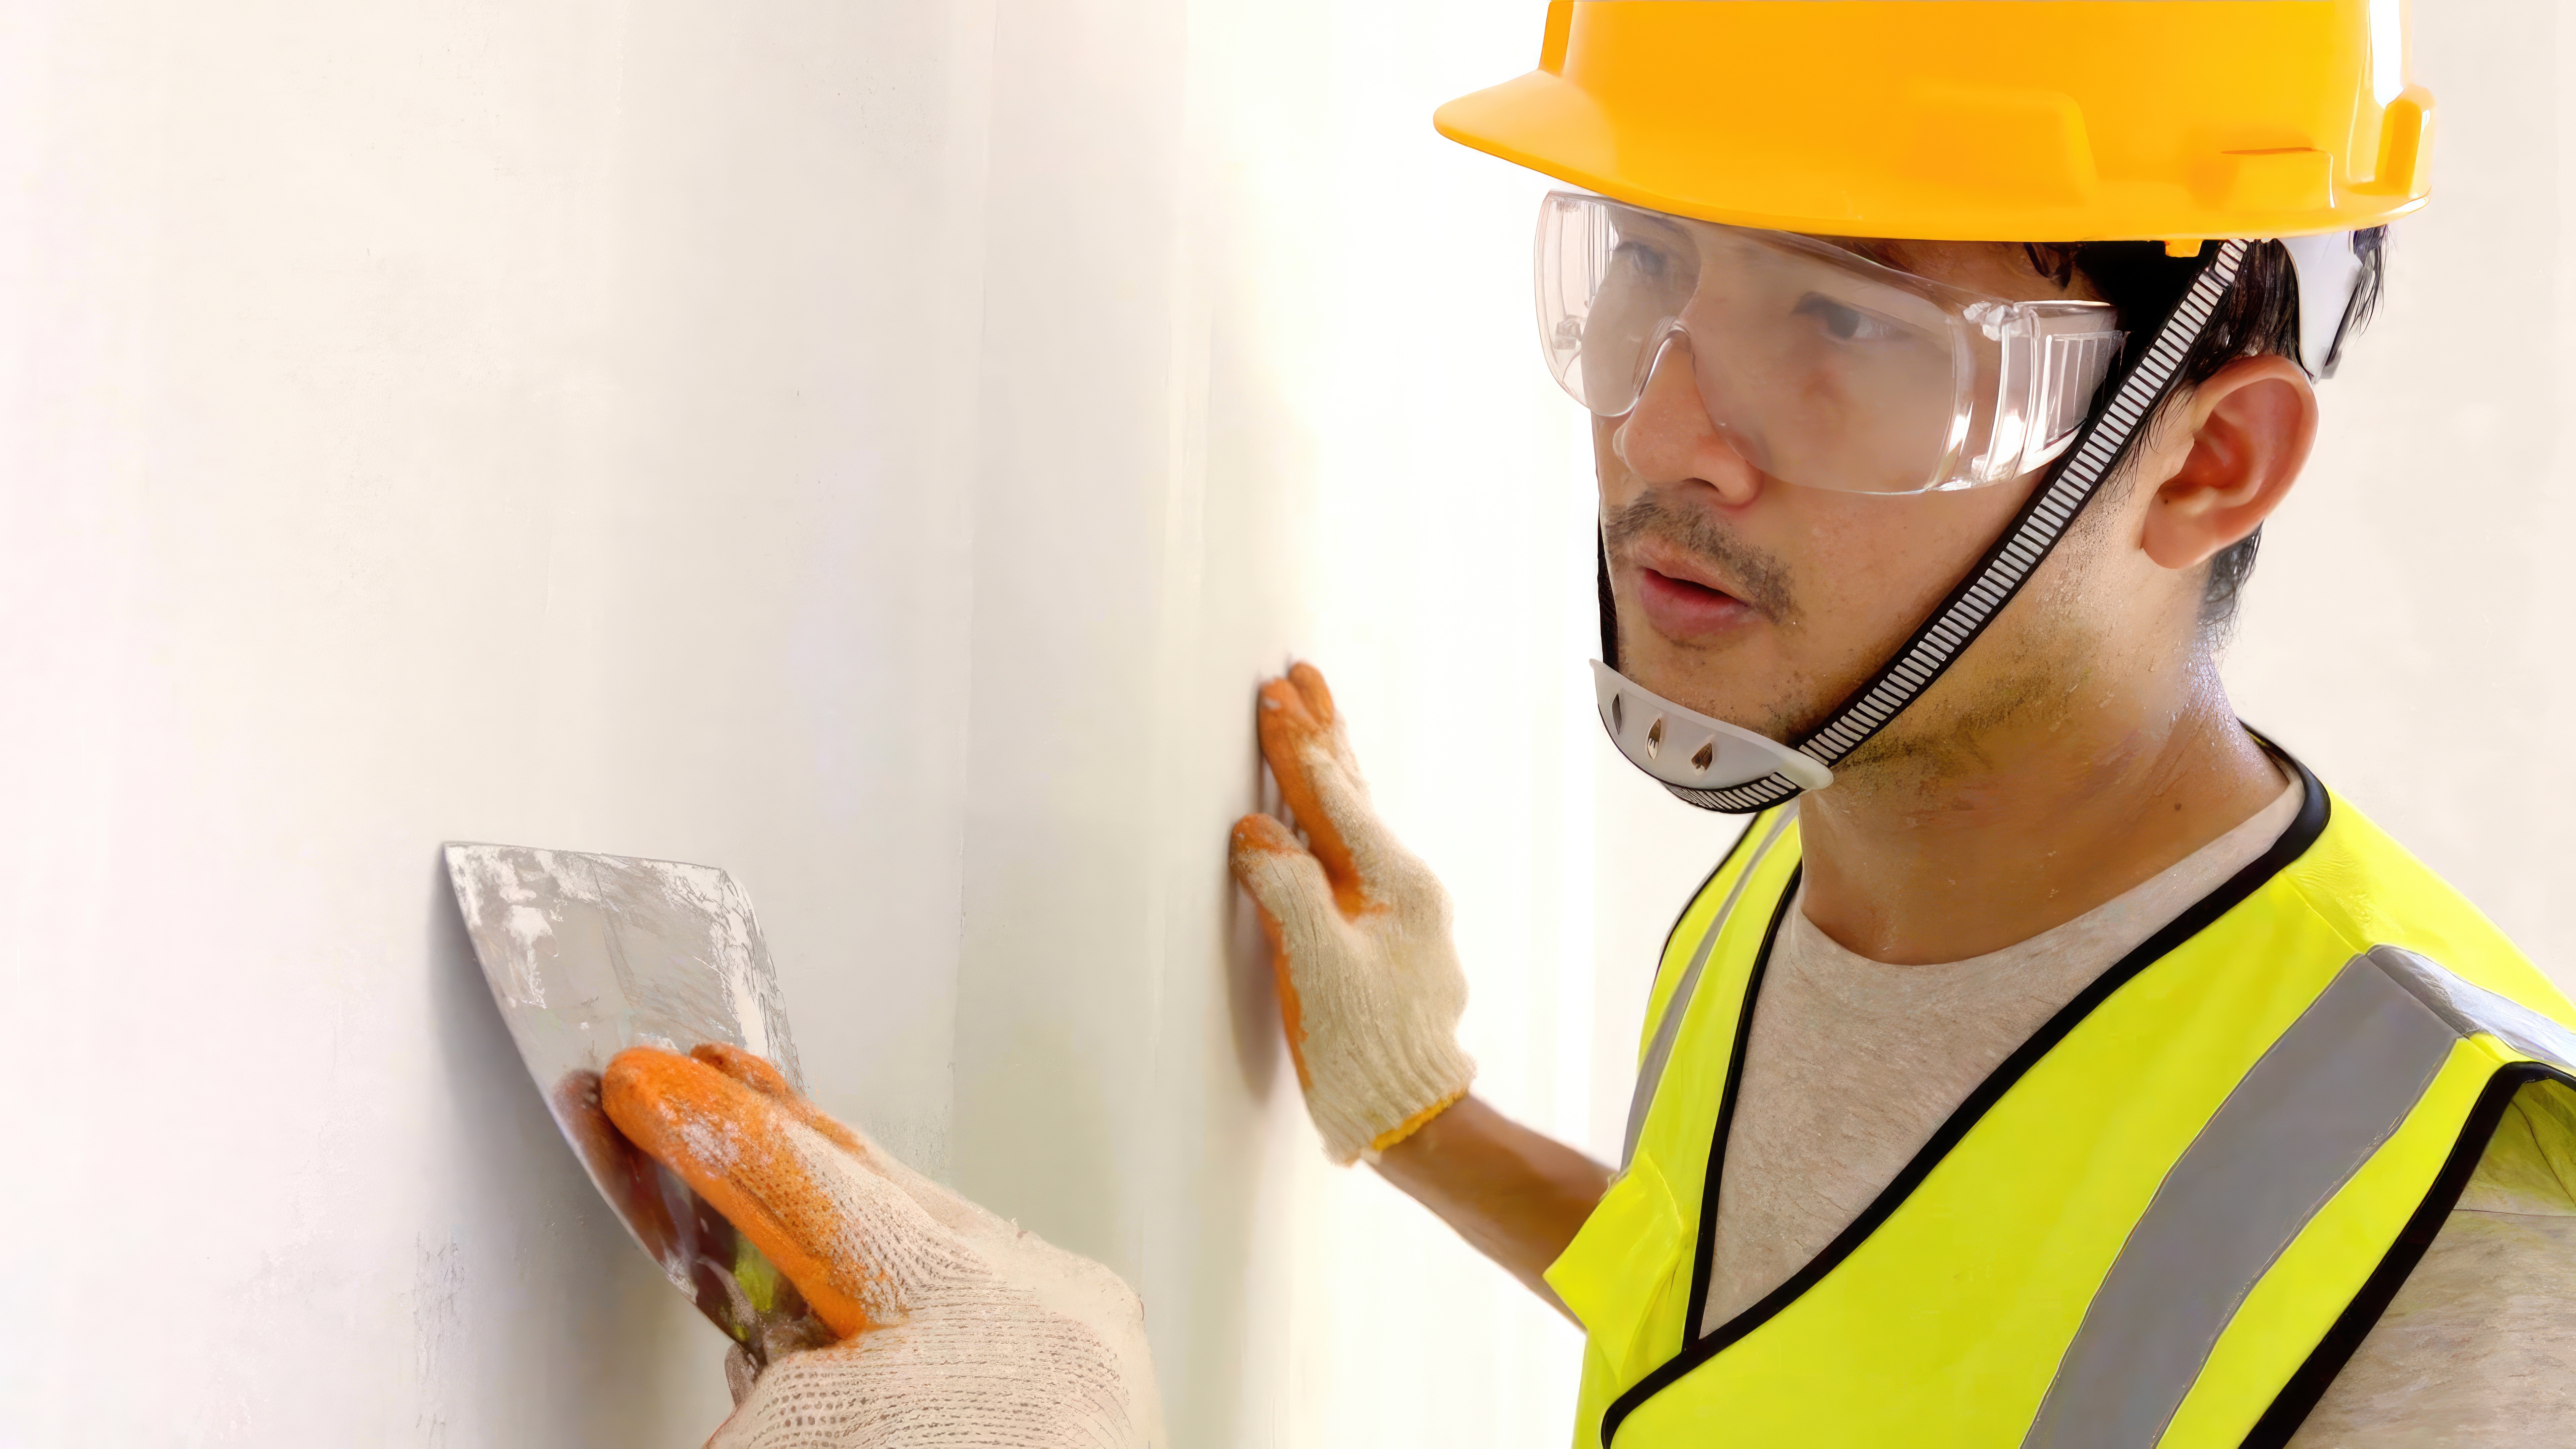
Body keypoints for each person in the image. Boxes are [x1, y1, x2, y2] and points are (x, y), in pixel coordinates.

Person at [602, 2, 2576, 1445]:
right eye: (1643, 267)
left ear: (2208, 459)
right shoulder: (1810, 866)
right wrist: (1426, 1127)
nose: (1664, 431)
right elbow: (1812, 1352)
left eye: (1850, 328)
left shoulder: (2463, 1240)